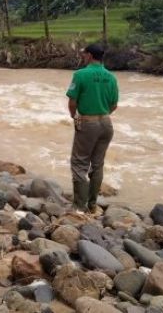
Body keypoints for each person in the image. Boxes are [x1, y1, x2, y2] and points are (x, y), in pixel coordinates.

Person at [66, 43, 118, 213]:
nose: (83, 57)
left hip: (88, 122)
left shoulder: (80, 74)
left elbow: (72, 102)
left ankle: (79, 206)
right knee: (97, 164)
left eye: (84, 54)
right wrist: (102, 114)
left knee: (79, 163)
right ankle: (92, 204)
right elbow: (114, 104)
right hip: (106, 123)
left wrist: (75, 117)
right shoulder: (111, 77)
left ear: (89, 56)